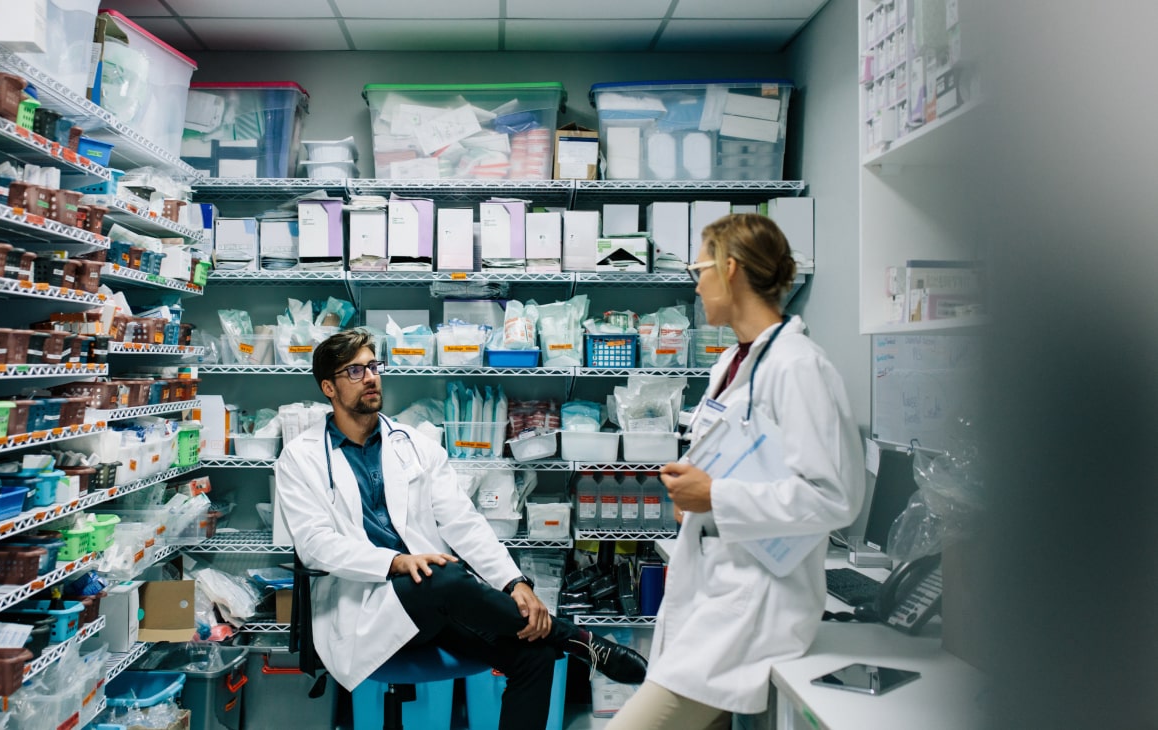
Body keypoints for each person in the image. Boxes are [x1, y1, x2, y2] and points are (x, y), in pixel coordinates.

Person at [276, 330, 647, 730]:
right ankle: (574, 638)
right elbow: (315, 545)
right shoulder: (300, 458)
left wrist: (515, 583)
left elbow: (463, 521)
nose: (370, 377)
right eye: (355, 371)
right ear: (328, 387)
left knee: (535, 656)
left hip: (436, 603)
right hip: (363, 606)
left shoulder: (415, 445)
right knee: (442, 574)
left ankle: (563, 640)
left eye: (373, 366)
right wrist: (396, 562)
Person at [607, 214, 865, 729]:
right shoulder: (732, 361)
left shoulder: (798, 366)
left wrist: (715, 496)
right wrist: (694, 490)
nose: (695, 284)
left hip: (758, 600)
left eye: (699, 270)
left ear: (730, 269)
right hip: (717, 584)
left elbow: (834, 496)